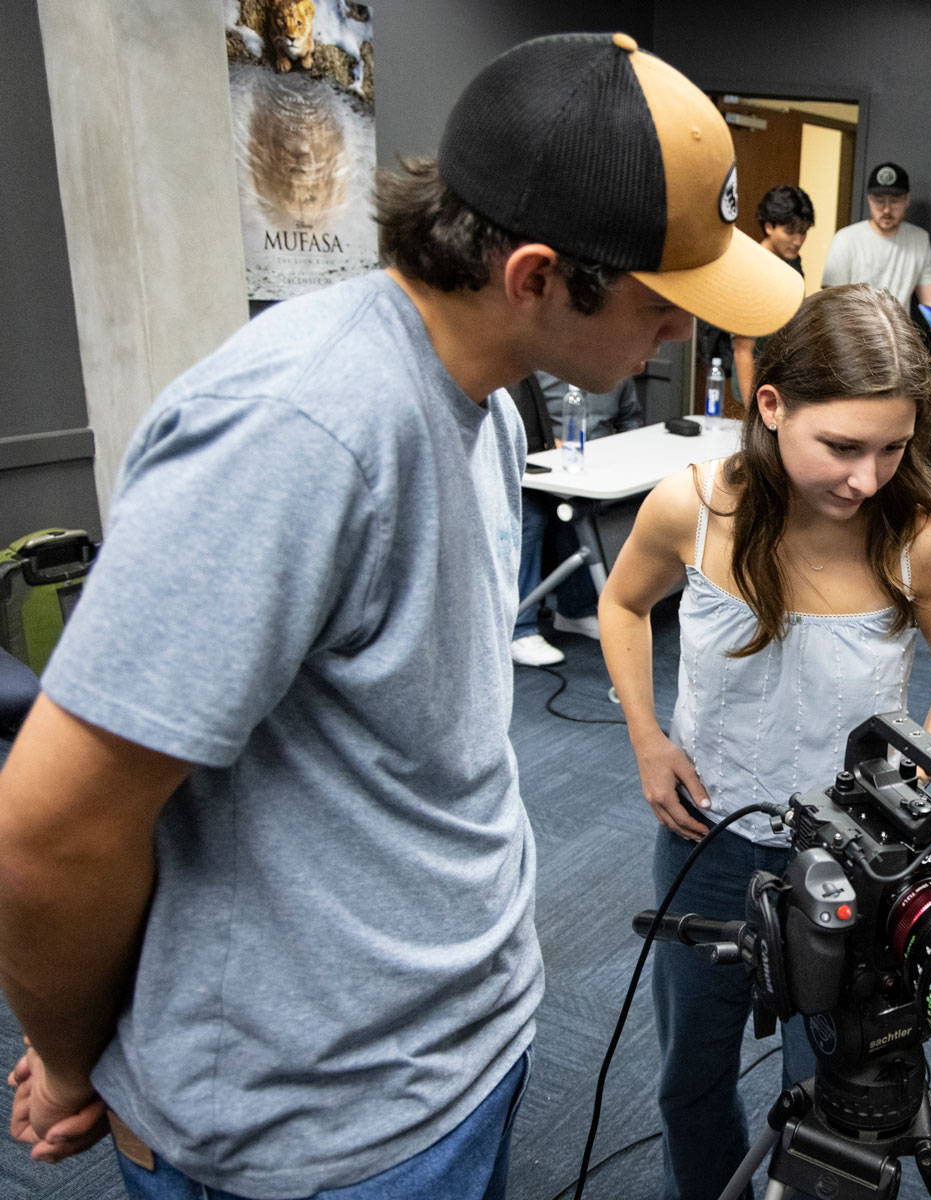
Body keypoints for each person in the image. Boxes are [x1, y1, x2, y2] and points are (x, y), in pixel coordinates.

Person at [0, 31, 801, 1198]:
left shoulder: (489, 407)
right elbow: (55, 828)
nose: (682, 331)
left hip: (452, 1055)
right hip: (316, 1128)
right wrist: (75, 1063)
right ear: (533, 276)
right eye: (662, 300)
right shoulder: (299, 431)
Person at [599, 284, 931, 1200]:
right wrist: (647, 738)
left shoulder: (923, 540)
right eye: (843, 447)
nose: (868, 478)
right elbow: (622, 603)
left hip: (850, 871)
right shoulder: (690, 507)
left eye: (893, 448)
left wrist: (907, 787)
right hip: (711, 842)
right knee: (689, 1078)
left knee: (825, 1102)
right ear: (771, 407)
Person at [510, 371, 644, 660]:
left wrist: (624, 451)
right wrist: (547, 445)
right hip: (543, 469)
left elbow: (631, 418)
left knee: (595, 510)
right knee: (532, 516)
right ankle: (519, 629)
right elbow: (519, 422)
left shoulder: (618, 367)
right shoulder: (536, 367)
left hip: (600, 470)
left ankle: (575, 611)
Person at [820, 162, 931, 328]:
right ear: (869, 199)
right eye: (879, 201)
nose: (886, 210)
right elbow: (831, 303)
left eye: (894, 201)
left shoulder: (919, 239)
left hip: (900, 338)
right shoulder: (846, 239)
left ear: (907, 199)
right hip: (857, 337)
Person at [733, 184, 815, 404]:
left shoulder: (792, 262)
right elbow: (742, 349)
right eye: (790, 231)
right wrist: (754, 413)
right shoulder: (752, 269)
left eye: (803, 232)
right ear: (769, 226)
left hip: (784, 380)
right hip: (756, 383)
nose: (798, 241)